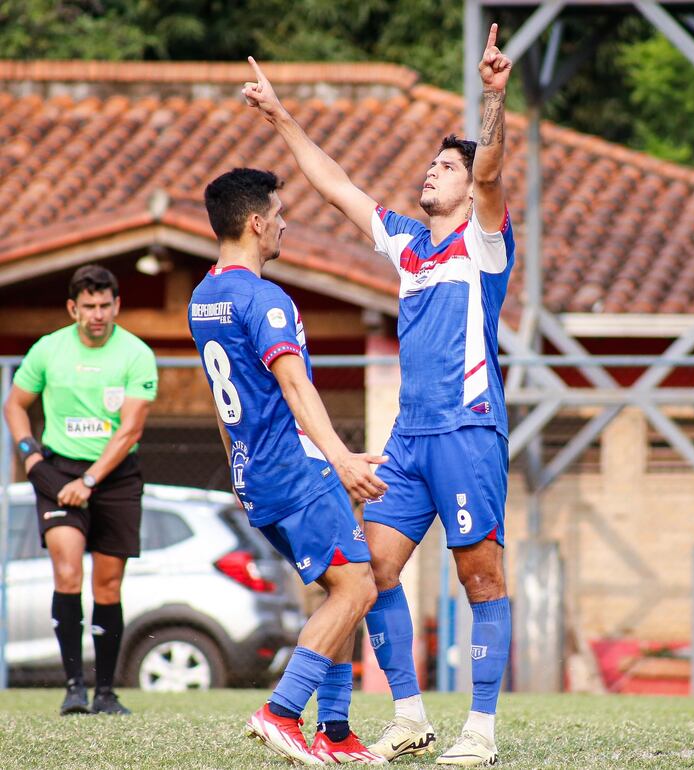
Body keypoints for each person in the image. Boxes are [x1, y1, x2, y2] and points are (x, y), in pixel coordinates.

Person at [242, 23, 515, 766]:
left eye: (444, 167)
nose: (432, 173)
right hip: (410, 437)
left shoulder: (483, 240)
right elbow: (335, 187)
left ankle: (482, 732)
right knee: (375, 570)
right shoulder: (409, 242)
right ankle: (411, 715)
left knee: (479, 573)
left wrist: (493, 98)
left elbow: (490, 174)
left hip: (469, 428)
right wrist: (282, 117)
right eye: (429, 165)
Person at [189, 167, 390, 766]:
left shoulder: (204, 297)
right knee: (358, 587)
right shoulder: (265, 299)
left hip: (257, 473)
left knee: (341, 586)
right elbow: (297, 389)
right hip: (296, 469)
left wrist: (237, 470)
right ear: (255, 222)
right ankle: (280, 712)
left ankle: (334, 732)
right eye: (278, 213)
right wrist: (343, 459)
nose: (284, 223)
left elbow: (223, 399)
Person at [3, 265, 158, 716]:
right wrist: (30, 455)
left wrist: (89, 482)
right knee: (67, 572)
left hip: (114, 477)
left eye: (104, 305)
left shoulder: (136, 354)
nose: (97, 314)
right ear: (73, 308)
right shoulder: (48, 350)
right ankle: (74, 688)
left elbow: (129, 430)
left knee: (107, 585)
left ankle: (105, 692)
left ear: (117, 305)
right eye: (88, 306)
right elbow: (14, 404)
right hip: (56, 471)